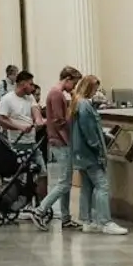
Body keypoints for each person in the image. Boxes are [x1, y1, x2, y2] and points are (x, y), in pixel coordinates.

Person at [69, 75, 128, 235]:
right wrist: (99, 149)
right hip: (90, 154)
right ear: (89, 88)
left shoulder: (77, 103)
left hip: (80, 153)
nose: (96, 93)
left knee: (87, 187)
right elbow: (89, 132)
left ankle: (86, 220)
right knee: (102, 186)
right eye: (95, 89)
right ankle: (105, 222)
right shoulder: (85, 106)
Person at [32, 67, 83, 231]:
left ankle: (66, 216)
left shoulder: (57, 94)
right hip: (60, 142)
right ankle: (40, 210)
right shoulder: (57, 94)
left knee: (65, 182)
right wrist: (72, 109)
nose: (74, 87)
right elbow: (61, 122)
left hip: (59, 141)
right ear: (67, 79)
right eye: (73, 83)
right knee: (64, 182)